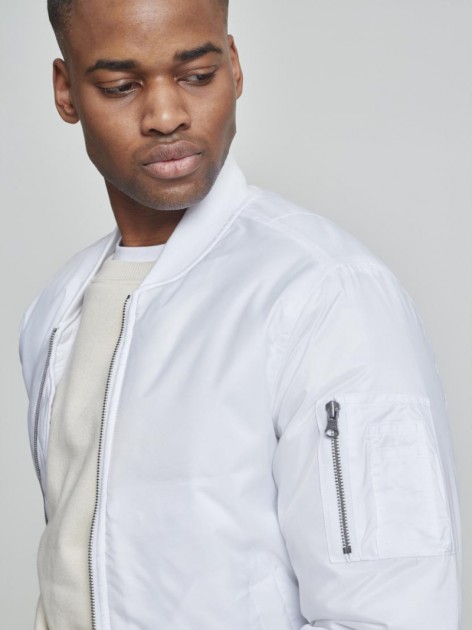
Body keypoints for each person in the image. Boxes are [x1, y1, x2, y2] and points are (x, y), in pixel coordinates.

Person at [19, 0, 461, 628]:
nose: (166, 115)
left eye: (198, 76)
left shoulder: (324, 294)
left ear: (234, 67)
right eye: (120, 85)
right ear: (66, 93)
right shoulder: (58, 310)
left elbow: (394, 613)